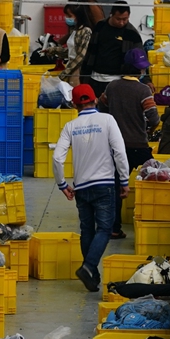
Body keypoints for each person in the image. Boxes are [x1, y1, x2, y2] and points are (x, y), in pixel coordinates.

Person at [53, 83, 130, 292]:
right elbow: (119, 152)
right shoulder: (107, 120)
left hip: (81, 187)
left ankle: (92, 277)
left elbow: (57, 158)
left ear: (75, 105)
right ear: (95, 99)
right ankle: (88, 267)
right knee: (105, 229)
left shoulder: (70, 126)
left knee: (87, 229)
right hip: (104, 184)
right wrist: (124, 180)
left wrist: (62, 184)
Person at [99, 49, 160, 238]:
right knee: (154, 180)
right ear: (140, 71)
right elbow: (155, 118)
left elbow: (101, 107)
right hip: (140, 146)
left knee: (116, 187)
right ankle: (151, 222)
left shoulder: (112, 87)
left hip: (116, 146)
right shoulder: (143, 90)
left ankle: (114, 228)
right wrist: (148, 129)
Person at [86, 1, 143, 97]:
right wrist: (85, 74)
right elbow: (90, 51)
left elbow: (140, 60)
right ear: (111, 14)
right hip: (95, 78)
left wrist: (145, 79)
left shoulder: (132, 34)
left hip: (117, 80)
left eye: (125, 19)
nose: (121, 22)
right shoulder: (100, 26)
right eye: (118, 19)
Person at [60, 2, 95, 86]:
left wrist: (65, 72)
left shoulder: (86, 31)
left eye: (70, 16)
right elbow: (71, 51)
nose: (66, 18)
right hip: (71, 67)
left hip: (78, 70)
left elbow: (81, 56)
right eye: (66, 15)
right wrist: (52, 51)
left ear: (78, 16)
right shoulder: (74, 30)